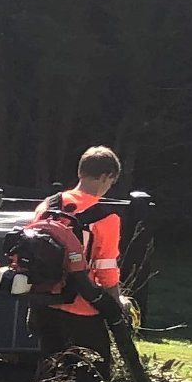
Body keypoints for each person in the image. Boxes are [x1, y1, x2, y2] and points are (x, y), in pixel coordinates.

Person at [32, 146, 125, 366]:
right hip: (82, 307)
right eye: (110, 183)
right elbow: (106, 269)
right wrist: (116, 301)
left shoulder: (47, 206)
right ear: (105, 177)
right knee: (92, 374)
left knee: (50, 370)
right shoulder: (106, 217)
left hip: (44, 303)